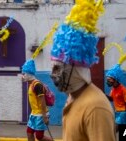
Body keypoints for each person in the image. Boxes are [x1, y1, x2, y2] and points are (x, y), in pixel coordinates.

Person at [49, 0, 116, 141]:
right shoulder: (72, 97)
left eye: (57, 68)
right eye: (52, 68)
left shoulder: (95, 107)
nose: (53, 75)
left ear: (75, 68)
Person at [21, 59, 53, 141]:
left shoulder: (37, 85)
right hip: (34, 113)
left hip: (40, 114)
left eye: (24, 74)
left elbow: (42, 101)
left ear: (29, 74)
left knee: (39, 136)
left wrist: (44, 116)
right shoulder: (31, 84)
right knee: (29, 132)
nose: (22, 76)